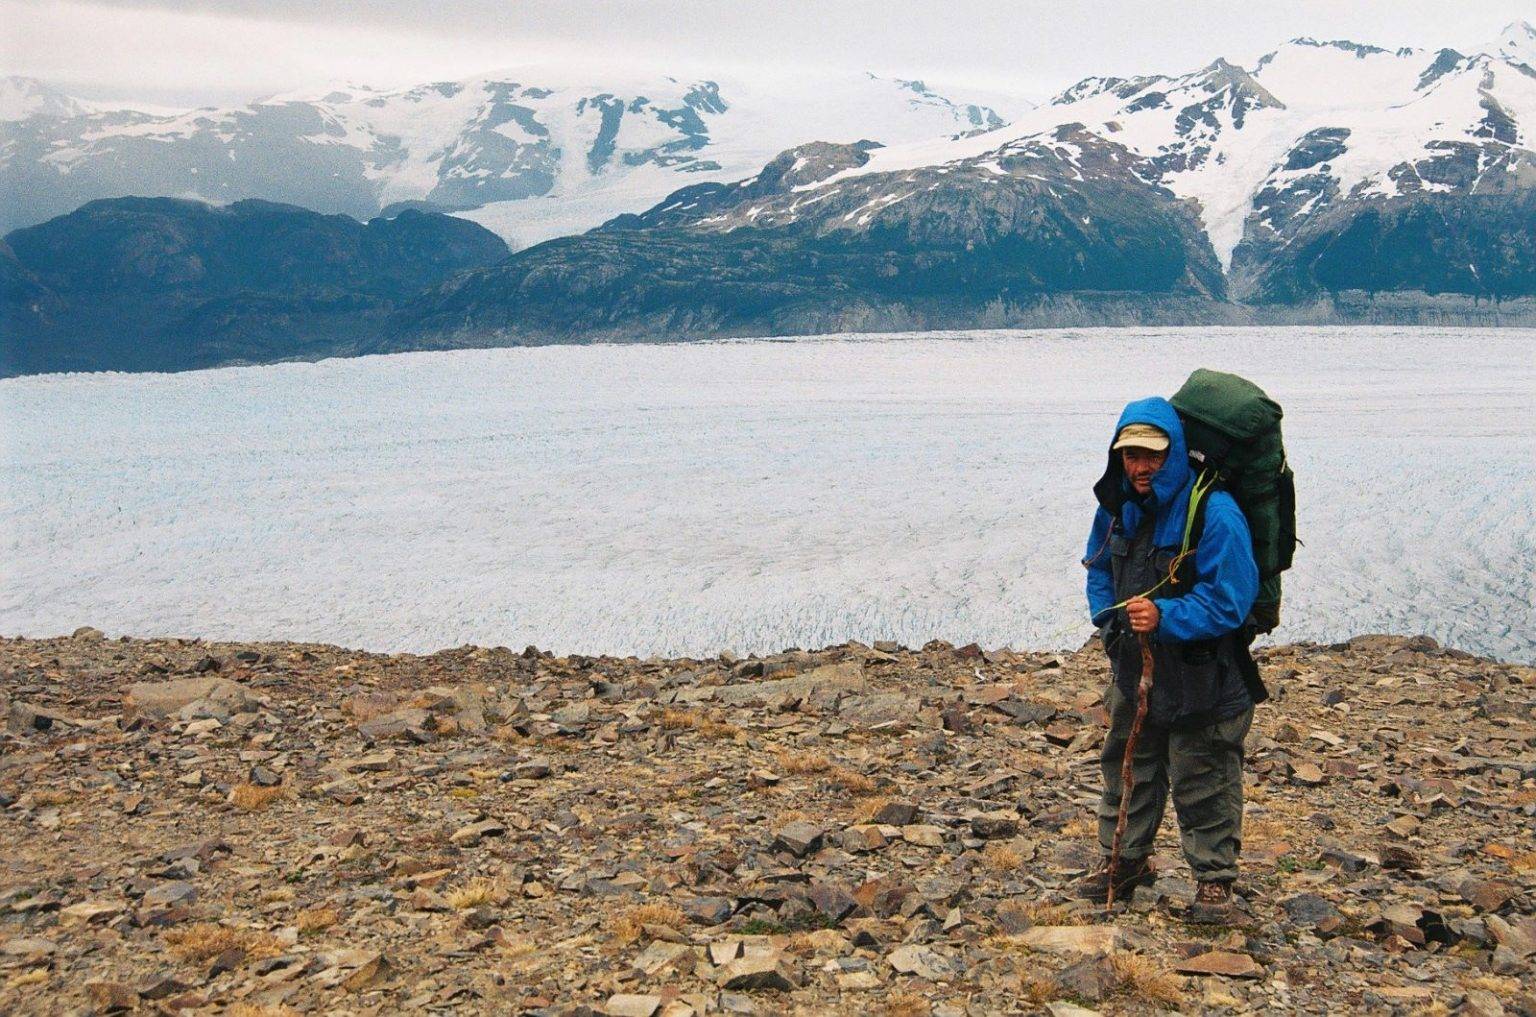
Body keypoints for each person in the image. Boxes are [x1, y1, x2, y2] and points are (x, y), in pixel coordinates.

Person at [1078, 396, 1259, 924]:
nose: (1140, 467)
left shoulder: (1216, 512)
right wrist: (1107, 621)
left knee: (1204, 774)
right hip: (1134, 670)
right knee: (1127, 765)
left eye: (1152, 455)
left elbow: (1231, 599)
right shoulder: (1116, 508)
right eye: (1131, 455)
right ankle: (1124, 862)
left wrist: (1165, 616)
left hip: (1206, 675)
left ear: (1174, 453)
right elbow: (1098, 569)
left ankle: (1215, 882)